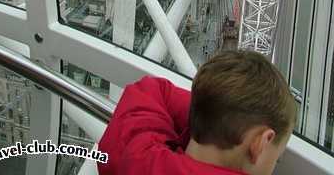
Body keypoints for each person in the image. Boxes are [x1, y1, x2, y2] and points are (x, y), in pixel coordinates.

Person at [98, 50, 296, 175]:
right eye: (276, 159)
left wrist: (214, 110)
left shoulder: (135, 157)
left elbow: (151, 91)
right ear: (261, 143)